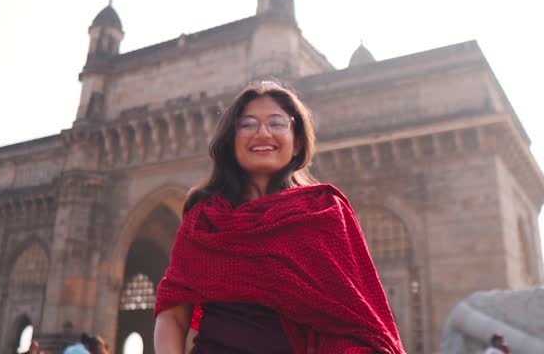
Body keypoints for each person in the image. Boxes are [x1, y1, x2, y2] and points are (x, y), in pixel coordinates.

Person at [154, 81, 405, 353]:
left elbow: (358, 321)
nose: (262, 133)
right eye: (247, 124)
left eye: (277, 123)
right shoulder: (204, 219)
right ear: (231, 141)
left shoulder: (324, 212)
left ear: (297, 142)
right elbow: (173, 315)